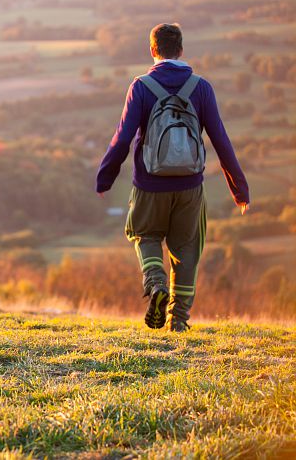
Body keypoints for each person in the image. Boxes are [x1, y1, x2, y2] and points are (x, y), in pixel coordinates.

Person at [96, 23, 249, 332]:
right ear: (181, 50)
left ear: (153, 51)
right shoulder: (201, 87)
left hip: (149, 185)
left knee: (144, 234)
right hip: (190, 187)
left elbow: (122, 138)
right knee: (187, 249)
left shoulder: (141, 86)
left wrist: (106, 177)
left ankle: (155, 285)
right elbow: (221, 139)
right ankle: (178, 320)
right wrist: (239, 189)